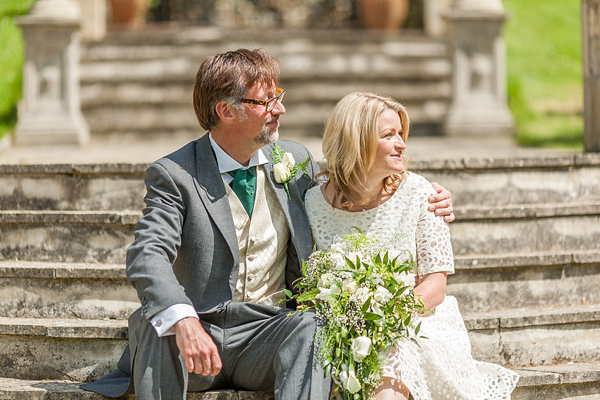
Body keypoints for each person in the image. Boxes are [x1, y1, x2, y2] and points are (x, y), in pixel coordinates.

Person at [80, 50, 455, 400]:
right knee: (156, 321)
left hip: (267, 332)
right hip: (197, 334)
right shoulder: (175, 174)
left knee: (312, 326)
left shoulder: (293, 160)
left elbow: (351, 193)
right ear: (226, 111)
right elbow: (148, 254)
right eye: (266, 102)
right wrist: (184, 320)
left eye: (278, 96)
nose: (281, 108)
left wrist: (424, 195)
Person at [304, 91, 520, 400]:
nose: (402, 143)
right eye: (389, 135)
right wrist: (350, 324)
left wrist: (383, 320)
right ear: (357, 141)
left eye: (401, 134)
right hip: (340, 328)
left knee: (390, 368)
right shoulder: (312, 203)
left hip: (414, 322)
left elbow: (435, 285)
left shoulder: (421, 194)